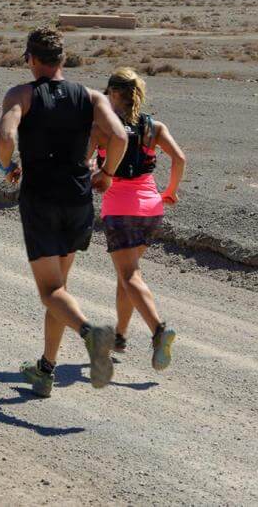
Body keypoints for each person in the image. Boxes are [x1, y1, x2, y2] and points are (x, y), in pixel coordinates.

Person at [0, 28, 130, 398]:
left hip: (41, 199)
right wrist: (107, 173)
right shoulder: (90, 96)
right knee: (60, 290)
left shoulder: (21, 94)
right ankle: (45, 370)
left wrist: (7, 167)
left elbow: (6, 137)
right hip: (78, 198)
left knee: (50, 290)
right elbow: (120, 137)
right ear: (63, 61)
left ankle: (92, 335)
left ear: (30, 59)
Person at [91, 67, 186, 372]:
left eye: (107, 92)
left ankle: (159, 330)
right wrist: (169, 191)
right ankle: (120, 335)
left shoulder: (104, 128)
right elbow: (180, 159)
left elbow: (85, 162)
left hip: (120, 208)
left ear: (114, 94)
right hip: (151, 208)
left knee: (130, 275)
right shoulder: (154, 127)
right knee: (127, 274)